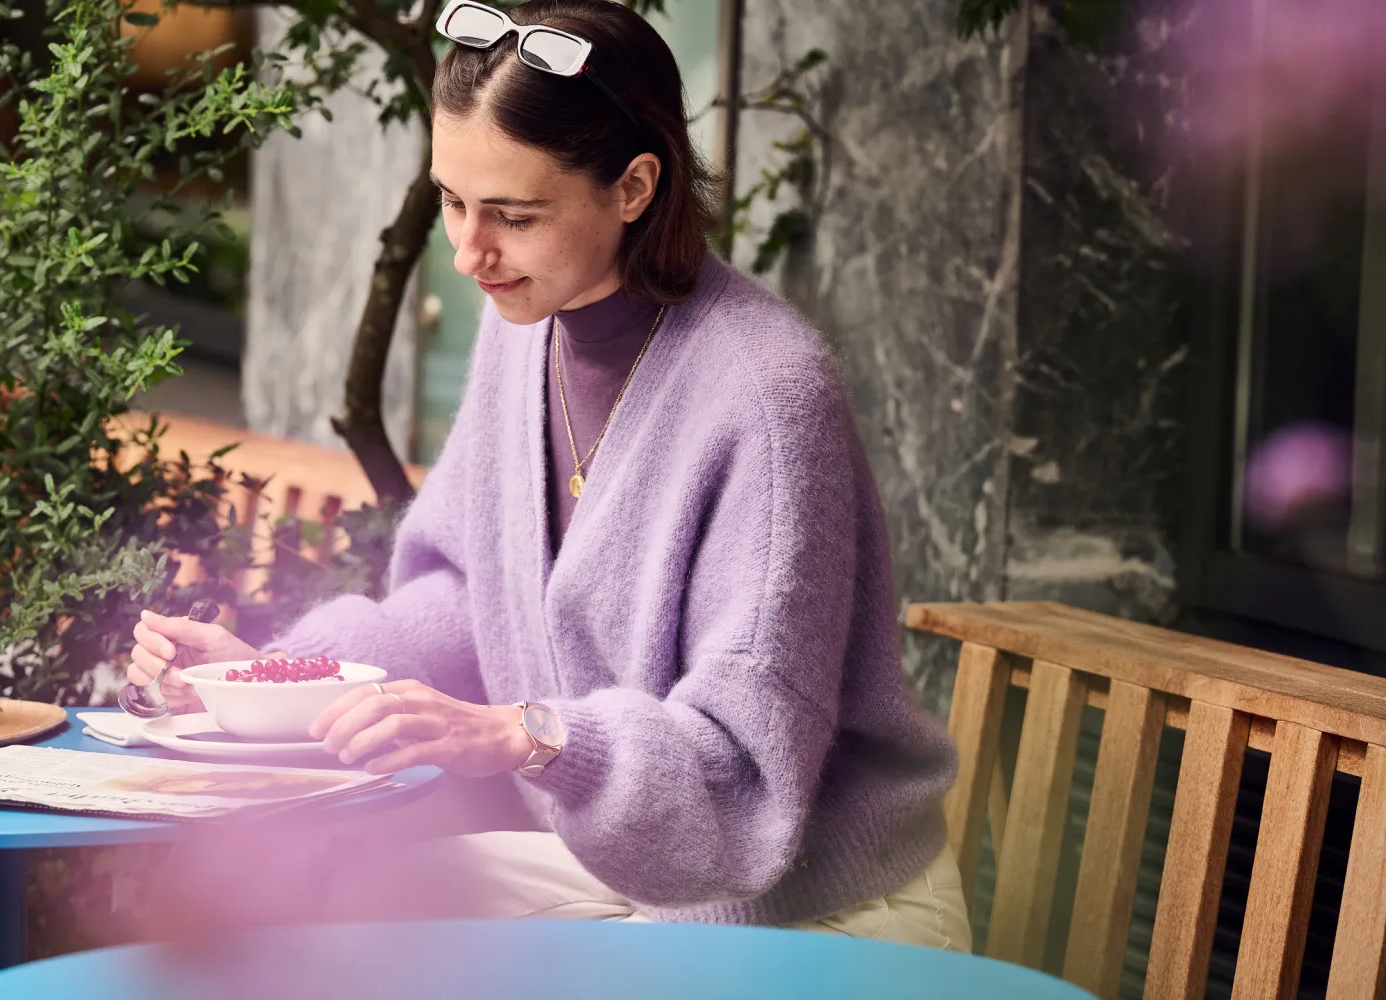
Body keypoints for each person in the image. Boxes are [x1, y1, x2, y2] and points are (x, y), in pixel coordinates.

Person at [129, 0, 965, 946]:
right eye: (452, 198)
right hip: (627, 873)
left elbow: (743, 777)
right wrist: (280, 677)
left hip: (814, 905)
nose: (468, 251)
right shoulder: (524, 327)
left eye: (514, 215)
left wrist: (527, 734)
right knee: (319, 902)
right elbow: (461, 594)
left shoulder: (769, 396)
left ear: (636, 187)